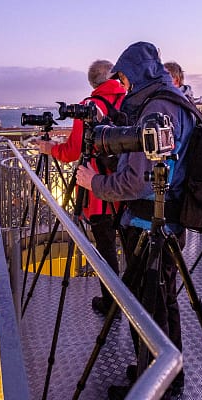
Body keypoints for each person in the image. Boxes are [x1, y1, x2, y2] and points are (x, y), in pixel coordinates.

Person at [76, 42, 196, 399]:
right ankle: (169, 371)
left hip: (148, 222)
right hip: (171, 220)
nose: (125, 86)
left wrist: (93, 182)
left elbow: (133, 182)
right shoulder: (179, 101)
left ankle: (151, 380)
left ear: (137, 73)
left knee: (145, 305)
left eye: (126, 78)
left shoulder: (156, 108)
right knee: (164, 301)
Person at [35, 59, 126, 315]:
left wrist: (49, 148)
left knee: (105, 250)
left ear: (92, 83)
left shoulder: (89, 106)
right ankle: (136, 302)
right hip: (127, 185)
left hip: (97, 188)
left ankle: (111, 303)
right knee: (131, 246)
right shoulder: (129, 101)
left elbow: (73, 151)